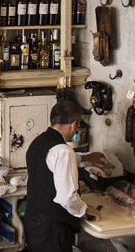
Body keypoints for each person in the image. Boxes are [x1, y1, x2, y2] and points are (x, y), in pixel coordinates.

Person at [25, 100, 104, 252]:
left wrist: (88, 158)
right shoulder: (64, 151)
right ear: (74, 125)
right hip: (53, 228)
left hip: (34, 221)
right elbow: (67, 197)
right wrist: (86, 209)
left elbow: (55, 162)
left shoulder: (38, 141)